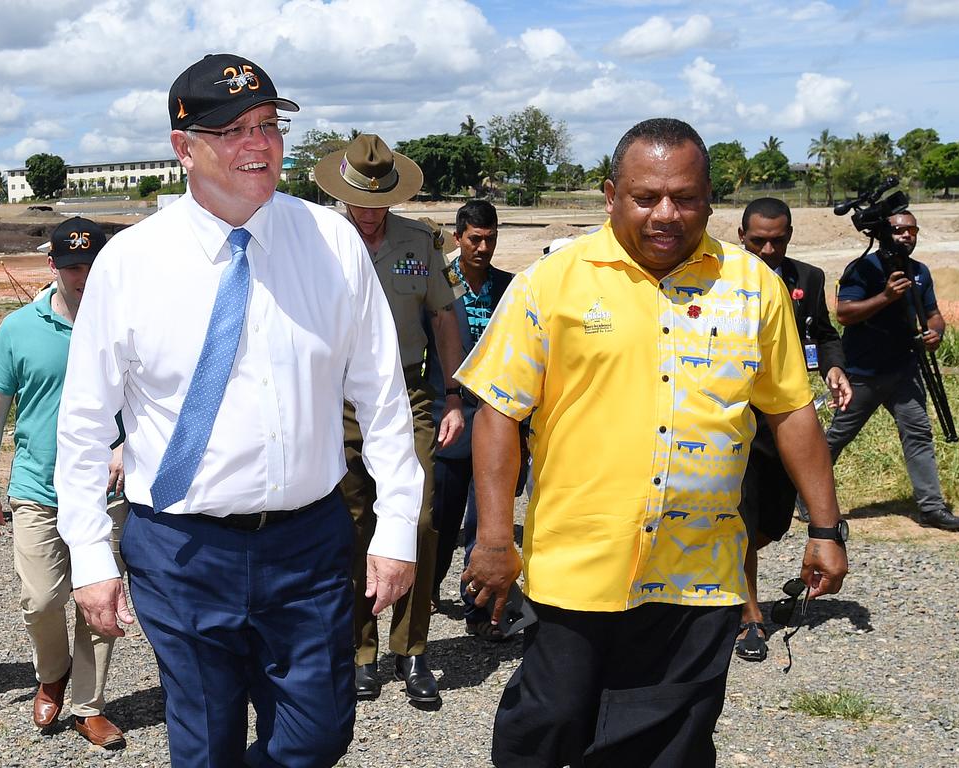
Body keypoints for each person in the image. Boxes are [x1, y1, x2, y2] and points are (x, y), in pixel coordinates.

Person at [54, 54, 423, 768]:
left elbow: (381, 395)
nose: (257, 144)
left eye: (267, 126)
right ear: (182, 148)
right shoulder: (131, 263)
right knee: (205, 741)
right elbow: (84, 425)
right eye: (230, 131)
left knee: (318, 736)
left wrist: (398, 526)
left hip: (308, 544)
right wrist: (92, 554)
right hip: (182, 552)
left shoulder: (331, 242)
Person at [456, 118, 849, 768]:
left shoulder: (753, 288)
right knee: (546, 726)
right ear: (611, 195)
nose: (667, 213)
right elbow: (498, 413)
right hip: (578, 571)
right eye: (646, 197)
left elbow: (791, 413)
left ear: (710, 199)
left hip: (699, 575)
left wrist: (827, 528)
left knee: (668, 746)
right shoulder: (552, 283)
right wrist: (495, 540)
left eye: (686, 197)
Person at [314, 134, 466, 704]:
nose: (371, 213)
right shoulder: (318, 241)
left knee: (419, 521)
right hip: (336, 399)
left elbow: (444, 317)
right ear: (343, 192)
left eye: (381, 201)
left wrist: (453, 396)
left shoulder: (418, 241)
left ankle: (413, 650)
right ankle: (360, 650)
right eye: (361, 201)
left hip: (406, 395)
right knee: (351, 522)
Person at [0, 217, 128, 748]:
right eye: (72, 266)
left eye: (92, 265)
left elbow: (157, 400)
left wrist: (129, 446)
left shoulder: (126, 322)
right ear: (53, 266)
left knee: (98, 599)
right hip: (37, 488)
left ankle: (87, 705)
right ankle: (51, 674)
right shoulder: (19, 328)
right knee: (40, 601)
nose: (83, 276)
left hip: (107, 493)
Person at [733, 198, 853, 662]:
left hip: (784, 424)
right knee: (740, 524)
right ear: (740, 235)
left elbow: (825, 334)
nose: (767, 249)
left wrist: (834, 370)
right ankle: (749, 617)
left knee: (773, 523)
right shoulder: (720, 281)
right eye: (758, 240)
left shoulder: (808, 278)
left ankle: (720, 576)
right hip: (735, 424)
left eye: (777, 240)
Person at [826, 210, 959, 531]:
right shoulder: (863, 268)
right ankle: (805, 498)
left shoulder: (920, 272)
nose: (906, 235)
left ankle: (931, 508)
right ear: (883, 233)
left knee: (918, 433)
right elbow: (845, 314)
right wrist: (886, 296)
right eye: (899, 230)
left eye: (912, 230)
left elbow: (933, 314)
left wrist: (936, 333)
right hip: (861, 372)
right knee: (836, 437)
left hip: (904, 370)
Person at [426, 200, 516, 641]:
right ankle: (427, 586)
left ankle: (479, 610)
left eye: (490, 238)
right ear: (458, 237)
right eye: (475, 239)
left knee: (485, 521)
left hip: (494, 420)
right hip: (449, 416)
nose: (483, 247)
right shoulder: (437, 282)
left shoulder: (509, 288)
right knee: (440, 516)